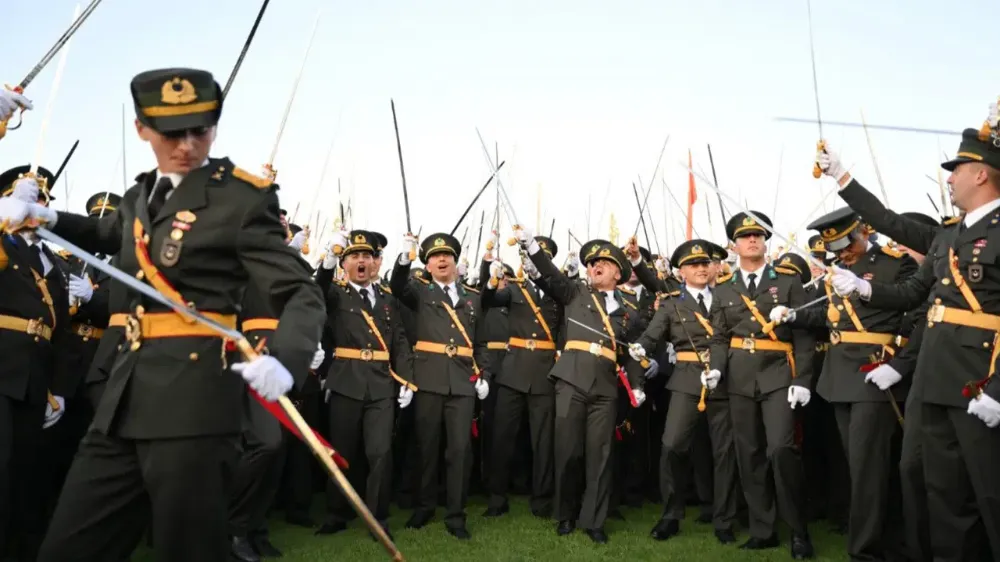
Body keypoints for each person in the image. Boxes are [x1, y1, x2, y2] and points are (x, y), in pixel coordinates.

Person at [0, 67, 327, 562]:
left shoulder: (242, 199)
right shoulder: (143, 196)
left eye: (200, 130)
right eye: (172, 132)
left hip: (194, 403)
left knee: (190, 548)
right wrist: (47, 217)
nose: (187, 145)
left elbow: (300, 289)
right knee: (69, 546)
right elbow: (112, 234)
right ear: (143, 130)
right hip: (123, 396)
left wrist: (287, 357)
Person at [821, 121, 1000, 561]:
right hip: (934, 374)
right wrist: (863, 287)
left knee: (989, 490)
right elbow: (905, 276)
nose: (949, 178)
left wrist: (998, 388)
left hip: (980, 376)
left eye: (957, 170)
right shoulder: (948, 235)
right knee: (940, 490)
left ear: (981, 173)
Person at [772, 208, 918, 561]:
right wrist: (794, 315)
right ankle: (883, 539)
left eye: (847, 244)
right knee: (859, 465)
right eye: (836, 248)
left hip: (874, 370)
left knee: (869, 467)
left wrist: (866, 289)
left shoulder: (895, 263)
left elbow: (910, 303)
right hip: (839, 376)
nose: (843, 253)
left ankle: (865, 549)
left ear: (863, 232)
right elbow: (829, 314)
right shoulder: (838, 270)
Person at [520, 229, 645, 543]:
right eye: (592, 263)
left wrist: (637, 384)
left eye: (604, 262)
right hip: (571, 380)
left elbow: (632, 353)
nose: (595, 266)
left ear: (618, 272)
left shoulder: (629, 312)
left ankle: (594, 521)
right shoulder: (575, 292)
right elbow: (549, 274)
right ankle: (565, 514)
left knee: (600, 456)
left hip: (605, 388)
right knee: (568, 452)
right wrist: (532, 246)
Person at [708, 211, 815, 559]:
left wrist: (802, 379)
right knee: (749, 453)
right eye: (745, 236)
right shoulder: (724, 287)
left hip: (778, 374)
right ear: (734, 245)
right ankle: (763, 529)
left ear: (765, 241)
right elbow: (719, 337)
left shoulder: (787, 281)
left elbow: (804, 334)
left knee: (781, 450)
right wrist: (716, 369)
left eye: (758, 235)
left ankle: (798, 530)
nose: (752, 240)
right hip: (739, 377)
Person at [628, 239, 739, 544]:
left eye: (705, 263)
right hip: (687, 379)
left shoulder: (727, 297)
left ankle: (724, 519)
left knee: (725, 452)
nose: (701, 268)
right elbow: (653, 333)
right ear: (681, 272)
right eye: (693, 265)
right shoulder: (672, 302)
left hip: (725, 378)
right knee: (672, 446)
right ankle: (671, 515)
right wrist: (642, 347)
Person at [314, 230, 414, 540]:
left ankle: (377, 518)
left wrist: (408, 380)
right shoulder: (336, 293)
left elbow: (399, 341)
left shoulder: (387, 298)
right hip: (346, 381)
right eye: (354, 256)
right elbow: (318, 288)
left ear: (374, 263)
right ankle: (336, 512)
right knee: (342, 451)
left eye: (367, 256)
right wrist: (329, 258)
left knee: (380, 452)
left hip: (381, 385)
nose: (361, 261)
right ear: (344, 264)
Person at [390, 232, 489, 540]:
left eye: (447, 255)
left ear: (455, 262)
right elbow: (396, 285)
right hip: (429, 380)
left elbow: (481, 342)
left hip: (462, 382)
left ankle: (456, 514)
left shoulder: (473, 297)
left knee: (460, 450)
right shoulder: (420, 292)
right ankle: (425, 506)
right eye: (435, 256)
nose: (442, 259)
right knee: (427, 447)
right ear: (428, 265)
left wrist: (484, 374)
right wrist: (405, 257)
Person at [0, 165, 74, 560]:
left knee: (27, 475)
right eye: (27, 198)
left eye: (41, 200)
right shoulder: (4, 244)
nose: (35, 206)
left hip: (36, 378)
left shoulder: (56, 263)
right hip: (2, 368)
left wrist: (58, 389)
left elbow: (63, 336)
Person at [480, 236, 562, 519]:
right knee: (502, 436)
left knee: (543, 441)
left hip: (545, 372)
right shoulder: (515, 288)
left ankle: (542, 499)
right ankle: (497, 497)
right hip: (513, 372)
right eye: (526, 258)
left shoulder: (558, 292)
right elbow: (488, 300)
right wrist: (492, 279)